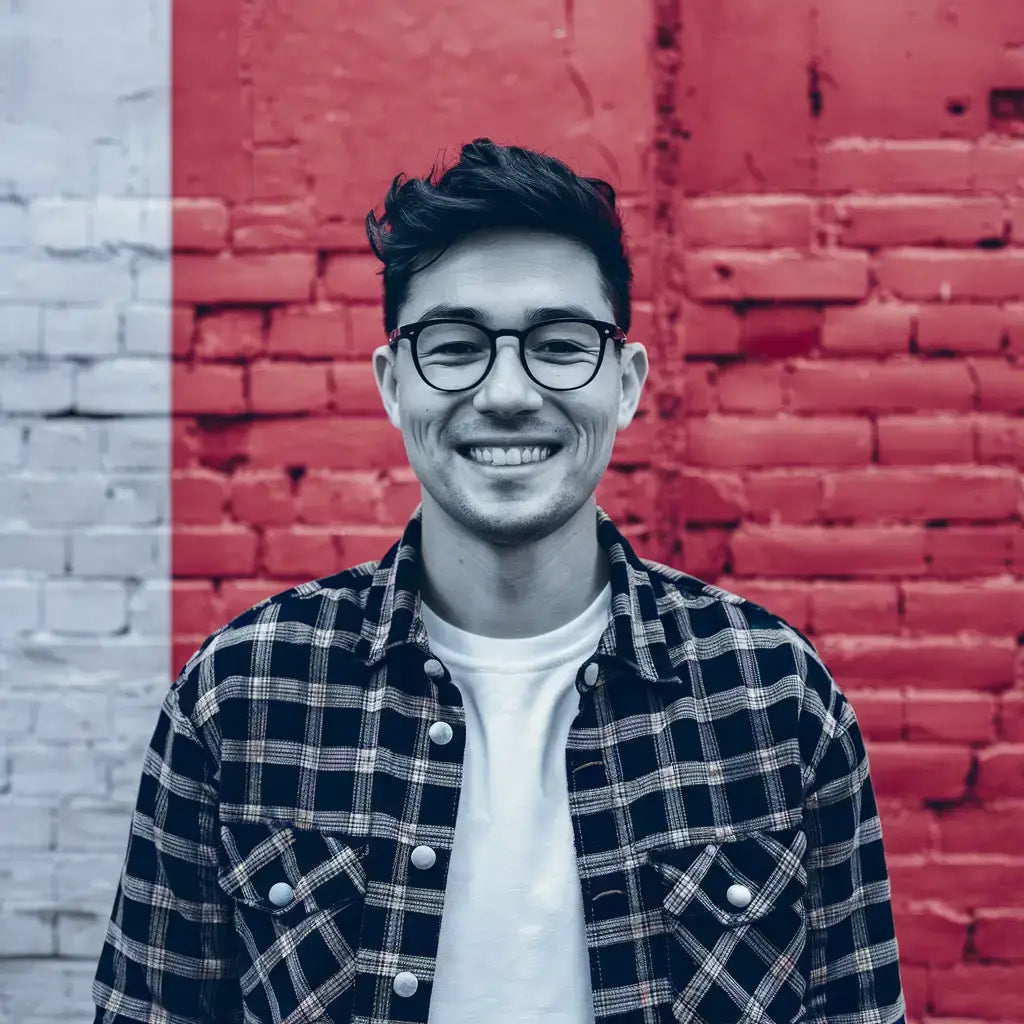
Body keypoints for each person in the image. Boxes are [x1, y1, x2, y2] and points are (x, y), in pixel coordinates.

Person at [92, 138, 906, 1024]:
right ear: (394, 382)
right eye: (455, 345)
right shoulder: (243, 695)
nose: (509, 391)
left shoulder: (773, 697)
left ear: (625, 385)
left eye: (560, 344)